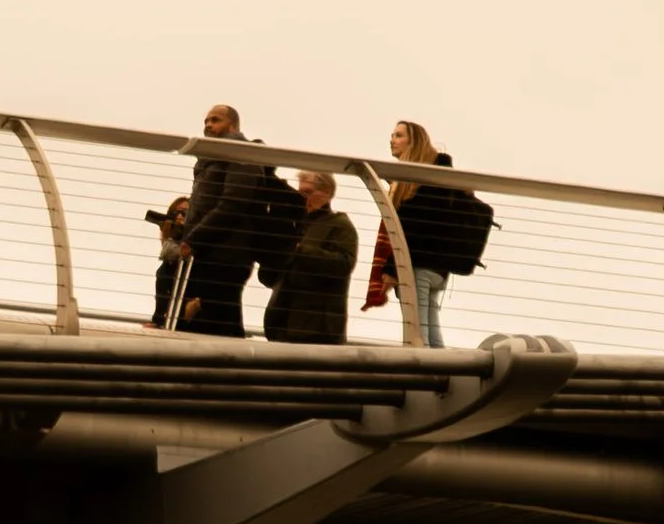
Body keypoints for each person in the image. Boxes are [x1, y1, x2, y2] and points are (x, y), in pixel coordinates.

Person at [363, 118, 492, 345]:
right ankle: (441, 376)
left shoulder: (421, 182)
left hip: (419, 265)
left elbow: (413, 226)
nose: (392, 140)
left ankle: (427, 377)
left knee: (418, 335)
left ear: (415, 142)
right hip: (438, 269)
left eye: (399, 135)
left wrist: (393, 267)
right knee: (430, 332)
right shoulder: (439, 178)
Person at [176, 101, 290, 337]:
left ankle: (234, 368)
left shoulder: (241, 153)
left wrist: (193, 239)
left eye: (215, 120)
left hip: (228, 253)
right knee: (211, 318)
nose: (208, 125)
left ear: (233, 125)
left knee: (218, 319)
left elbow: (233, 203)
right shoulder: (214, 156)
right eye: (206, 121)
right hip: (212, 251)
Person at [260, 168, 359, 343]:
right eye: (299, 193)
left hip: (319, 330)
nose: (302, 198)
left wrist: (300, 250)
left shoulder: (340, 224)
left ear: (327, 193)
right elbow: (269, 278)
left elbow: (343, 265)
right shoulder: (296, 224)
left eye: (307, 192)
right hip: (283, 326)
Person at [147, 196, 192, 329]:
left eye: (185, 212)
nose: (179, 216)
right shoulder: (171, 237)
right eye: (175, 213)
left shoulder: (195, 236)